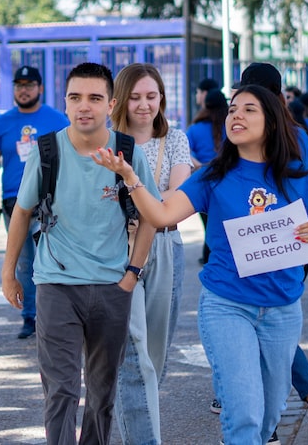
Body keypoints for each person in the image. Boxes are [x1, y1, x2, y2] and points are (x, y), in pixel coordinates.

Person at [93, 84, 308, 445]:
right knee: (244, 414)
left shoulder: (293, 173)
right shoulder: (213, 175)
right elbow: (162, 214)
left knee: (268, 416)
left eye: (249, 110)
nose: (236, 116)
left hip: (283, 308)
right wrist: (131, 179)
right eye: (233, 110)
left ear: (273, 123)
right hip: (227, 306)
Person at [1, 62, 159, 445]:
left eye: (94, 98)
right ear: (66, 103)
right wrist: (9, 272)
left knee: (102, 394)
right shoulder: (48, 150)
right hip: (56, 284)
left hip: (112, 287)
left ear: (111, 104)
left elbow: (152, 215)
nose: (84, 106)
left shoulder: (126, 152)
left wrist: (132, 274)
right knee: (61, 389)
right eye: (75, 97)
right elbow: (22, 211)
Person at [239, 63, 308, 445]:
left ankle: (295, 408)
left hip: (251, 243)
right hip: (292, 244)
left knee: (253, 325)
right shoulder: (298, 134)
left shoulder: (239, 129)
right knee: (274, 325)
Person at [110, 63, 192, 445]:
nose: (144, 105)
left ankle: (133, 427)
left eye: (152, 96)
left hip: (164, 245)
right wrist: (150, 201)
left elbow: (176, 199)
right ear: (121, 99)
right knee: (133, 354)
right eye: (136, 97)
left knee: (154, 357)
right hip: (116, 250)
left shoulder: (175, 139)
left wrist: (133, 188)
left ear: (162, 97)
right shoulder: (107, 141)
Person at [0, 65, 68, 339]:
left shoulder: (57, 119)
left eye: (29, 85)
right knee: (24, 262)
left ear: (40, 89)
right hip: (14, 202)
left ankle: (53, 315)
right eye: (19, 85)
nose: (24, 90)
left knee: (54, 259)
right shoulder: (2, 122)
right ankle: (30, 316)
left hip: (51, 201)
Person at [188, 88, 227, 266]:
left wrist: (200, 166)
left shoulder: (195, 129)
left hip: (203, 181)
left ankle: (208, 258)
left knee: (208, 225)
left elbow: (185, 152)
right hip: (226, 180)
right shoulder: (230, 125)